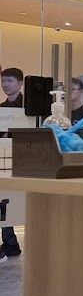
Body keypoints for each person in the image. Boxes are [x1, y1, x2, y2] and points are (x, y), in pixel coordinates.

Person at [0, 68, 24, 262]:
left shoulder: (31, 107)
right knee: (4, 202)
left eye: (9, 80)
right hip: (4, 161)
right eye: (3, 81)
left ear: (20, 83)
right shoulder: (1, 108)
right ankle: (10, 242)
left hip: (26, 161)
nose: (5, 84)